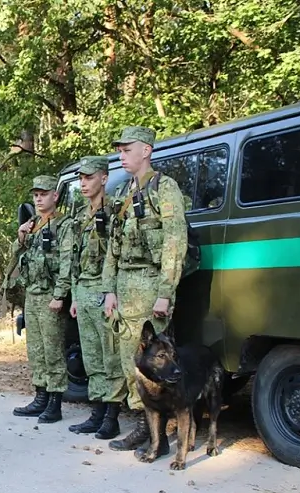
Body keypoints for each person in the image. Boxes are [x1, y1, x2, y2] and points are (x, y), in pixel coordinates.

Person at [101, 126, 188, 457]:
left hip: (151, 288)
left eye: (126, 150)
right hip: (125, 290)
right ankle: (145, 426)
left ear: (146, 151)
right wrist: (109, 289)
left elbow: (174, 241)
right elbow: (113, 246)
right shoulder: (124, 193)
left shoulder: (165, 188)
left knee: (156, 367)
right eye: (119, 150)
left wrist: (165, 291)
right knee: (132, 362)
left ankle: (157, 434)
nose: (121, 156)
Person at [67, 156, 127, 439]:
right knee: (91, 358)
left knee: (110, 355)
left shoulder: (117, 209)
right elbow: (75, 258)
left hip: (105, 291)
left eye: (88, 177)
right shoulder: (80, 215)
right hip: (84, 290)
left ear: (104, 178)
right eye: (80, 178)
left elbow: (118, 254)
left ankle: (112, 416)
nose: (83, 183)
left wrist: (110, 292)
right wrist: (75, 296)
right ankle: (97, 412)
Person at [12, 175, 73, 424]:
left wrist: (60, 295)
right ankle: (40, 396)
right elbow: (17, 257)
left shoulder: (64, 224)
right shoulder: (32, 224)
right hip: (32, 295)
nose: (38, 198)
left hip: (50, 296)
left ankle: (55, 402)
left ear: (54, 196)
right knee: (35, 349)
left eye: (44, 194)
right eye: (35, 194)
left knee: (53, 350)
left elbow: (68, 262)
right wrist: (20, 236)